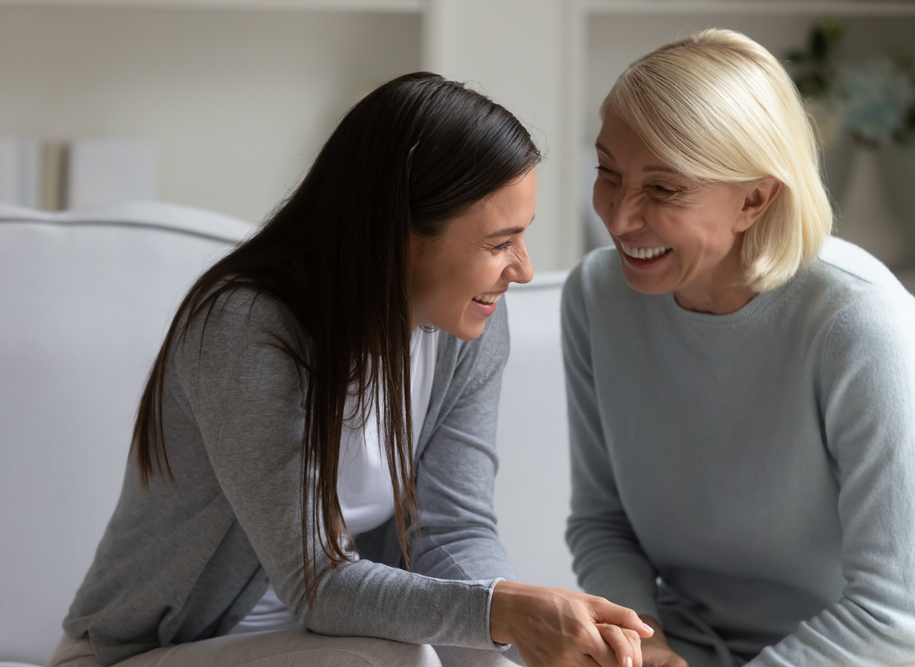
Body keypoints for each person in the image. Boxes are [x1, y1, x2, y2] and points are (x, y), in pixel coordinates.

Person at [49, 72, 652, 667]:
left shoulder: (470, 327)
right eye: (500, 243)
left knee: (484, 657)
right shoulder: (247, 327)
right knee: (406, 659)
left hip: (328, 648)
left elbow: (454, 531)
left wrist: (523, 623)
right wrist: (507, 612)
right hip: (154, 653)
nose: (522, 269)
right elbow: (317, 583)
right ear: (400, 236)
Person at [563, 29, 915, 667]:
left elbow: (892, 619)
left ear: (755, 198)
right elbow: (603, 525)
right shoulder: (597, 296)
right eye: (608, 171)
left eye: (663, 189)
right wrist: (643, 646)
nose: (620, 215)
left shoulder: (861, 321)